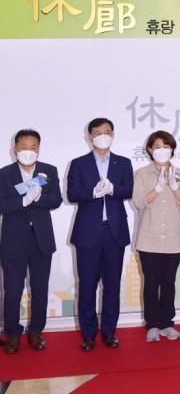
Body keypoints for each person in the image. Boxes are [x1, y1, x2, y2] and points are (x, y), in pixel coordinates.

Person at [67, 118, 133, 351]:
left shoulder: (123, 162)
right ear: (89, 137)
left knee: (112, 286)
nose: (102, 136)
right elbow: (72, 194)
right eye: (97, 132)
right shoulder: (79, 163)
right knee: (87, 286)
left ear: (113, 135)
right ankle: (88, 334)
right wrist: (92, 192)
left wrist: (114, 189)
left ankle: (109, 332)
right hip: (88, 233)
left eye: (107, 132)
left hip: (114, 233)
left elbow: (130, 189)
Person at [0, 129, 62, 354]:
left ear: (39, 149)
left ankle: (36, 331)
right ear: (15, 149)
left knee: (40, 289)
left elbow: (56, 199)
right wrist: (23, 201)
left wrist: (39, 198)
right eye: (24, 147)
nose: (28, 151)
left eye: (33, 147)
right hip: (13, 241)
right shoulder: (4, 174)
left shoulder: (48, 171)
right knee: (13, 290)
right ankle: (13, 334)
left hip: (41, 240)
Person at [132, 131, 180, 342]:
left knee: (168, 283)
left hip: (173, 239)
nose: (162, 150)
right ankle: (152, 325)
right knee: (151, 284)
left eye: (166, 146)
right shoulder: (142, 174)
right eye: (157, 147)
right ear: (150, 149)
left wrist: (174, 187)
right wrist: (157, 188)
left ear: (172, 149)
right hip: (149, 239)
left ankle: (167, 323)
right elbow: (138, 202)